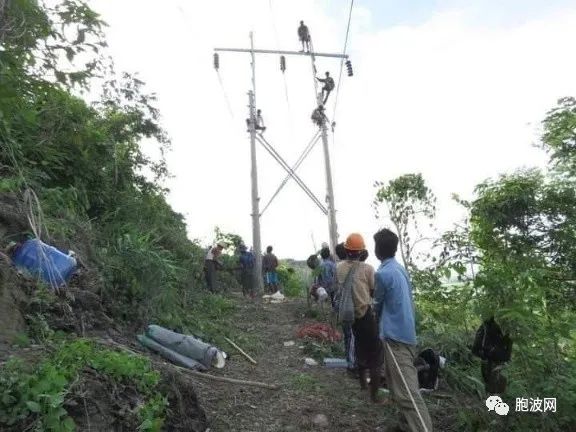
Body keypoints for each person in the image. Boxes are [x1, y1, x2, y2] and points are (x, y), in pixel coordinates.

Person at [373, 228, 433, 432]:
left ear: (378, 250)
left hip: (394, 337)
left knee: (407, 392)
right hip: (407, 333)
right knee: (396, 384)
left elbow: (378, 303)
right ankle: (405, 426)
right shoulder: (399, 269)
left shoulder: (382, 273)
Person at [337, 233, 383, 402]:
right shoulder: (368, 269)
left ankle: (363, 385)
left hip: (351, 316)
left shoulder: (339, 267)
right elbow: (373, 291)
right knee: (376, 356)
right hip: (365, 316)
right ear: (362, 251)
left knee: (359, 349)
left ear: (346, 249)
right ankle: (374, 396)